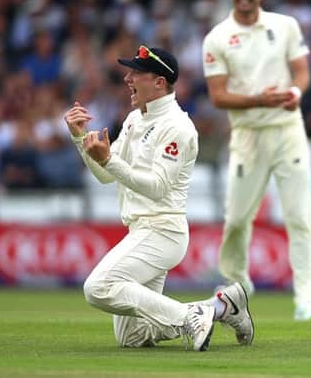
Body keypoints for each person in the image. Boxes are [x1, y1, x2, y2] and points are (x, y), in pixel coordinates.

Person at [64, 45, 254, 351]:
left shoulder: (178, 127)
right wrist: (79, 139)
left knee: (98, 287)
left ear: (159, 82)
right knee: (132, 337)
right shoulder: (134, 120)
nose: (127, 79)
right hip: (141, 231)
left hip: (163, 231)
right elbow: (105, 176)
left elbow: (157, 188)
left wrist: (109, 160)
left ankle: (192, 315)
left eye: (136, 73)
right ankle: (222, 307)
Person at [202, 0, 311, 321]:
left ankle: (307, 300)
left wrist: (295, 92)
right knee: (237, 219)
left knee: (300, 217)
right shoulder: (218, 37)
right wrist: (259, 99)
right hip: (248, 135)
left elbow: (302, 72)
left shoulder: (285, 26)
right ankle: (237, 289)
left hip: (288, 130)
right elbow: (218, 96)